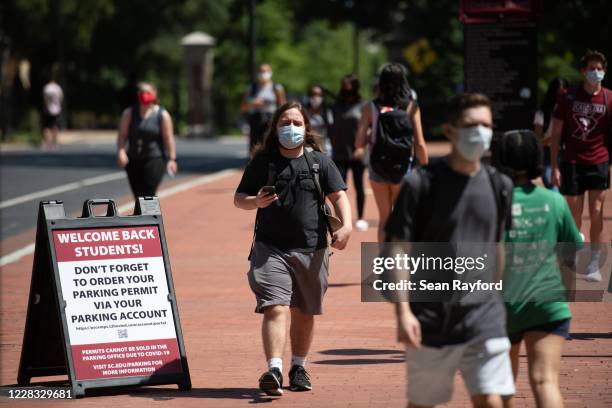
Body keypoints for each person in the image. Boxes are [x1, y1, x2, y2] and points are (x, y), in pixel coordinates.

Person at [386, 93, 515, 407]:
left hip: (485, 316)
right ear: (450, 131)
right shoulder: (421, 184)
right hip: (432, 318)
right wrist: (403, 312)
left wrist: (500, 300)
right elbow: (398, 250)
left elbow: (497, 247)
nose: (480, 132)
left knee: (492, 401)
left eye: (486, 124)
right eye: (471, 124)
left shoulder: (500, 185)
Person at [234, 102, 352, 396]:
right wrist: (255, 202)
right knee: (275, 307)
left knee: (304, 311)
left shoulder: (319, 162)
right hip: (270, 248)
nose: (291, 127)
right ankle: (273, 368)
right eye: (285, 122)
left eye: (297, 123)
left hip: (313, 249)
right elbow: (239, 198)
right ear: (275, 128)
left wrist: (346, 225)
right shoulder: (264, 162)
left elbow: (339, 196)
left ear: (306, 128)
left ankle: (298, 367)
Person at [493, 129, 583, 408]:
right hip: (547, 303)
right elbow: (570, 254)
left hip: (501, 306)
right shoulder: (554, 201)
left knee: (503, 385)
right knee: (545, 382)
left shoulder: (491, 203)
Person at [551, 50, 611, 282]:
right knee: (574, 213)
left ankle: (593, 262)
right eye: (591, 68)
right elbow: (556, 133)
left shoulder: (609, 98)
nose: (596, 72)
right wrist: (554, 165)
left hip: (599, 161)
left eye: (600, 68)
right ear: (583, 71)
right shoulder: (568, 97)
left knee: (596, 212)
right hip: (572, 162)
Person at [354, 63, 428, 242]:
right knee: (402, 219)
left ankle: (385, 264)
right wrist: (425, 167)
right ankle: (401, 264)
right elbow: (419, 142)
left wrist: (364, 145)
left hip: (377, 166)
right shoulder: (411, 107)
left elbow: (359, 141)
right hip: (403, 167)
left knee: (384, 219)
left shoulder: (370, 107)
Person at [117, 82, 178, 198]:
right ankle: (141, 215)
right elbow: (122, 135)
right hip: (134, 159)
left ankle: (151, 215)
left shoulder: (162, 115)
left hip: (154, 159)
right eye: (142, 92)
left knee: (149, 193)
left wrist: (172, 159)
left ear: (154, 94)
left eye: (148, 92)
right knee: (138, 195)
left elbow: (168, 137)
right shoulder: (129, 113)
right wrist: (121, 151)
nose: (144, 95)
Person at [330, 74, 368, 231]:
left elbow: (368, 129)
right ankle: (341, 219)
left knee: (359, 186)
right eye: (343, 85)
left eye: (348, 85)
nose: (345, 88)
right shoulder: (336, 106)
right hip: (339, 153)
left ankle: (360, 218)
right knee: (338, 189)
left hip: (357, 152)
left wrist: (362, 147)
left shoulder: (364, 106)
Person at [240, 63, 287, 154]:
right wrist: (252, 103)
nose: (263, 74)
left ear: (270, 73)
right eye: (261, 71)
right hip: (256, 119)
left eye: (265, 71)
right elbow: (243, 108)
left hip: (271, 119)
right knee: (255, 147)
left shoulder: (277, 88)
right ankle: (254, 166)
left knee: (271, 145)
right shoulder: (251, 88)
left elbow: (283, 107)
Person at [533, 77, 569, 190]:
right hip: (548, 153)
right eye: (558, 94)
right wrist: (553, 138)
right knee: (553, 185)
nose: (561, 98)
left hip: (566, 153)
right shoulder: (542, 113)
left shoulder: (570, 110)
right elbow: (537, 139)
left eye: (564, 94)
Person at [304, 85, 333, 155]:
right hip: (308, 148)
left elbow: (332, 130)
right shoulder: (304, 112)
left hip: (325, 148)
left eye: (319, 95)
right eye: (313, 94)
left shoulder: (328, 112)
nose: (315, 97)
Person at [41, 78, 63, 149]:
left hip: (48, 110)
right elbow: (61, 98)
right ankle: (54, 142)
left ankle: (48, 142)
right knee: (55, 126)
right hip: (56, 110)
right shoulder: (58, 88)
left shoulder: (46, 88)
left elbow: (45, 99)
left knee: (47, 127)